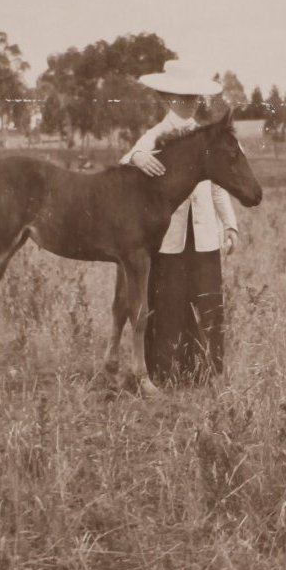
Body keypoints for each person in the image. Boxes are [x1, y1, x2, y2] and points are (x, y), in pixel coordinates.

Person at [120, 60, 239, 385]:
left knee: (209, 302)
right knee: (168, 304)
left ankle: (208, 374)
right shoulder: (156, 135)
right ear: (166, 98)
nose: (190, 103)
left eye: (195, 97)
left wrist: (229, 225)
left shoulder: (206, 137)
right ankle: (165, 373)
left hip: (204, 236)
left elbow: (218, 185)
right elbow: (124, 162)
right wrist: (136, 157)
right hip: (169, 238)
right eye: (183, 97)